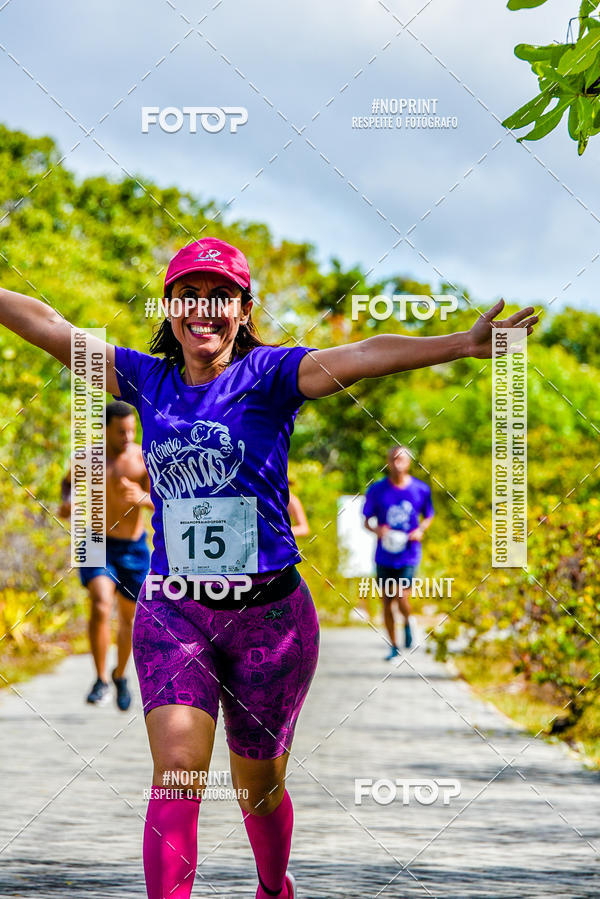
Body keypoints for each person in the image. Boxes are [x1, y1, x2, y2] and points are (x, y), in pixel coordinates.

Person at [0, 236, 538, 899]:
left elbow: (364, 355)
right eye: (188, 296)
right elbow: (49, 325)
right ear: (168, 309)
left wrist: (460, 343)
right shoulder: (145, 378)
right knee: (176, 771)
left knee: (259, 785)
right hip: (175, 611)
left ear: (244, 308)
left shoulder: (273, 375)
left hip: (271, 618)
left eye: (220, 296)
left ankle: (272, 885)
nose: (204, 309)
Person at [58, 401, 153, 710]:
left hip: (133, 546)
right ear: (106, 430)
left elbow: (163, 500)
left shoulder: (142, 458)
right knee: (100, 604)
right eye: (121, 431)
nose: (127, 436)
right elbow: (67, 485)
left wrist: (142, 498)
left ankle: (120, 674)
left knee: (130, 618)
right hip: (96, 540)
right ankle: (100, 679)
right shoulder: (88, 458)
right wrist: (67, 504)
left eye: (131, 430)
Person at [363, 446, 434, 658]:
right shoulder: (377, 490)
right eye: (393, 459)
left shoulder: (420, 489)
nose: (397, 463)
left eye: (401, 459)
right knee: (387, 599)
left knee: (402, 594)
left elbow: (429, 515)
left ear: (409, 462)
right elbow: (366, 520)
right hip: (385, 553)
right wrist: (377, 529)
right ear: (388, 461)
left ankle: (408, 623)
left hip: (409, 552)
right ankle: (393, 645)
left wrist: (420, 530)